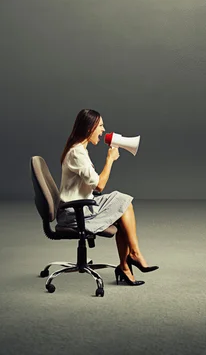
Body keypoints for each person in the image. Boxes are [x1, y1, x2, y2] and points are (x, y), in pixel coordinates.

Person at [57, 109, 158, 286]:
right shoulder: (77, 153)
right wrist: (109, 159)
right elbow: (100, 185)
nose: (103, 130)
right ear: (90, 128)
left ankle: (126, 264)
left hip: (82, 205)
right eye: (101, 126)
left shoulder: (80, 150)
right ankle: (132, 257)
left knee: (124, 202)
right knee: (124, 204)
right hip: (75, 213)